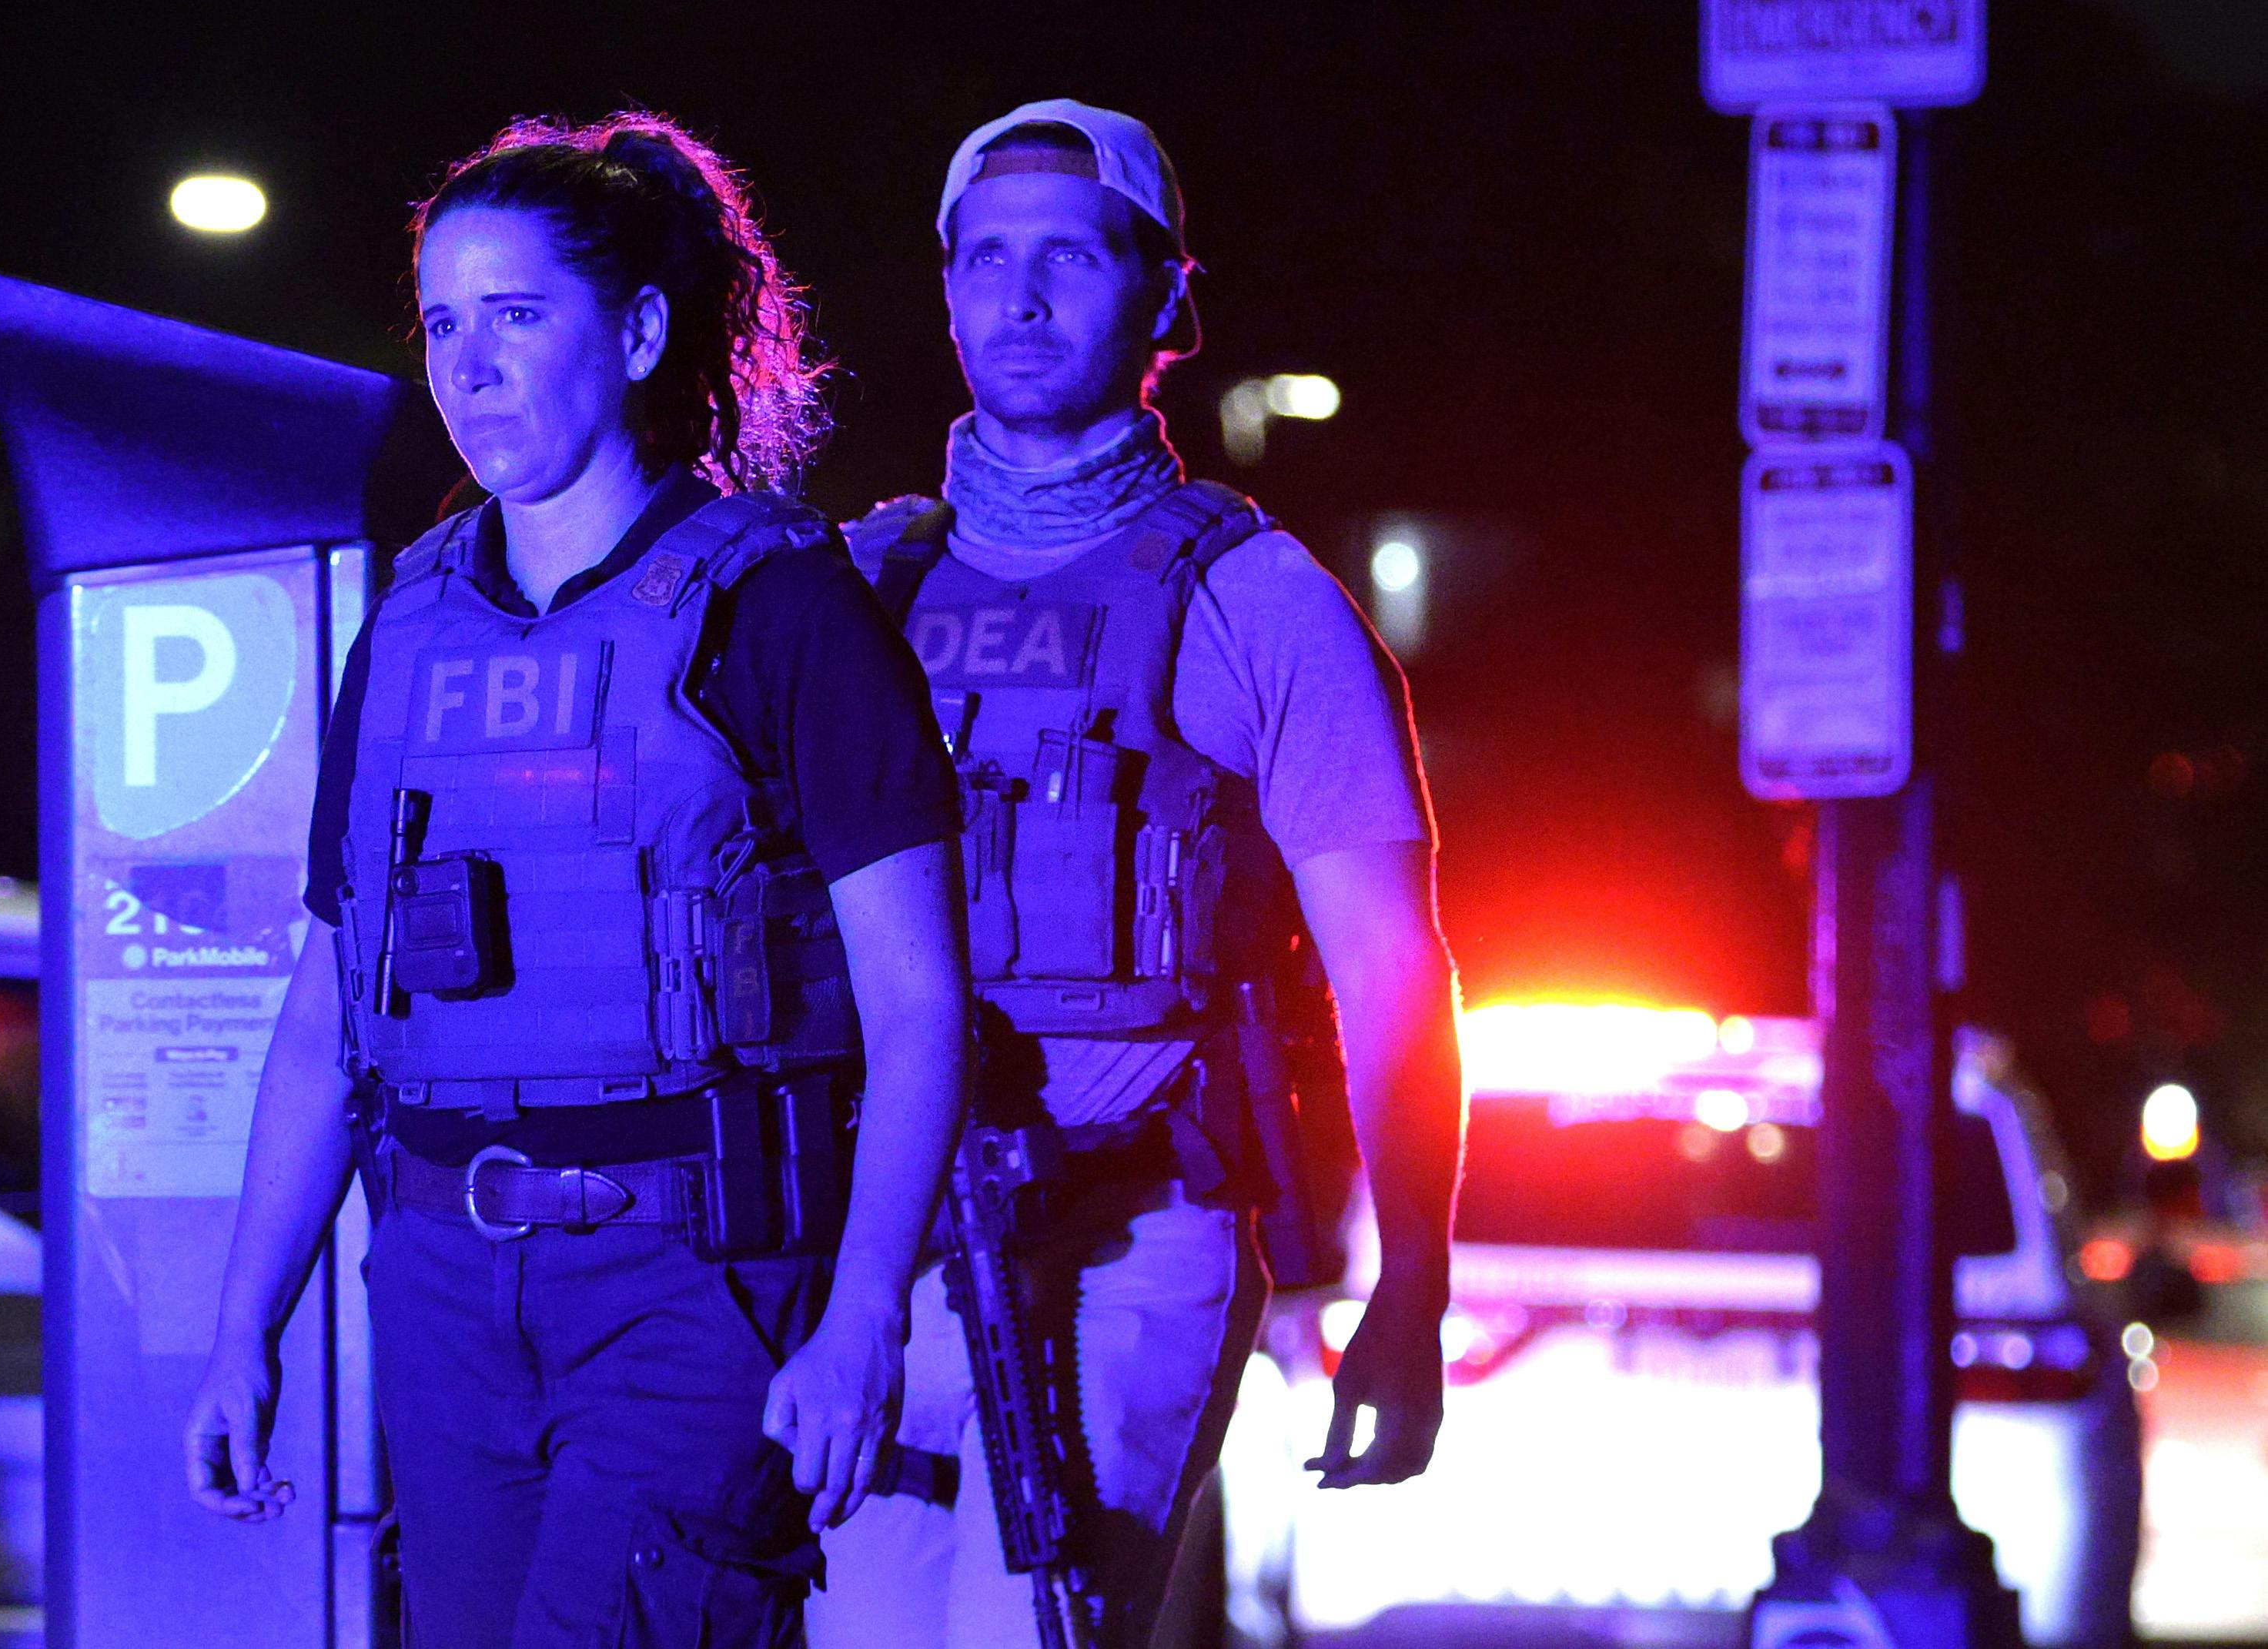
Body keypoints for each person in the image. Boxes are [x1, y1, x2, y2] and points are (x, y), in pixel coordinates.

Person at [182, 112, 968, 1649]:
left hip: (686, 1281)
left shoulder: (778, 606)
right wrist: (241, 1334)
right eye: (442, 325)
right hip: (437, 1288)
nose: (467, 369)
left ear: (638, 331)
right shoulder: (409, 624)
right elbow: (324, 1019)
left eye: (517, 317)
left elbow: (921, 1001)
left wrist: (863, 1312)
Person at [805, 100, 1466, 1649]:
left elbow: (1392, 973)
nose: (1018, 302)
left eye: (1067, 260)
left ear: (1165, 298)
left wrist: (1414, 1287)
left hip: (1126, 1233)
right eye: (982, 262)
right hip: (874, 1240)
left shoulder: (1253, 601)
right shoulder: (857, 583)